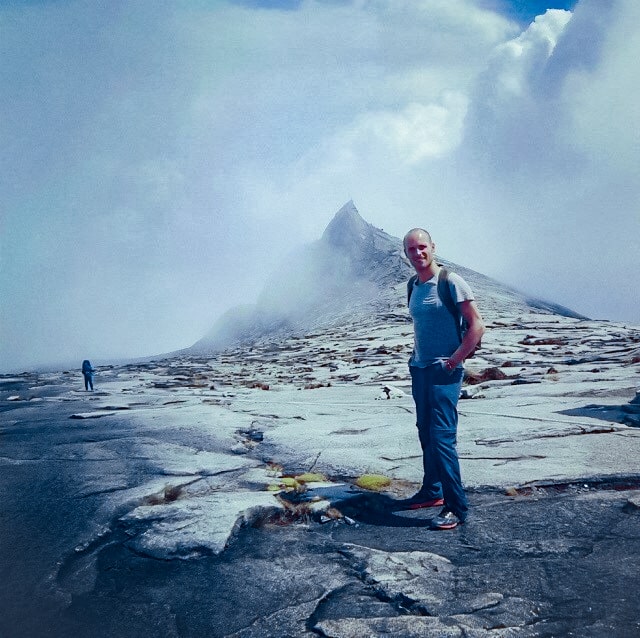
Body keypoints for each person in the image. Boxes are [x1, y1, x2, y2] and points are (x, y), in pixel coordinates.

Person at [401, 228, 485, 530]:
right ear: (406, 253)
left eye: (422, 247)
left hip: (444, 372)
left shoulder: (451, 282)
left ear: (433, 248)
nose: (418, 253)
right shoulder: (413, 285)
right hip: (420, 369)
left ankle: (456, 507)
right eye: (411, 249)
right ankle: (432, 492)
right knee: (425, 432)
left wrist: (453, 361)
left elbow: (477, 326)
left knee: (442, 437)